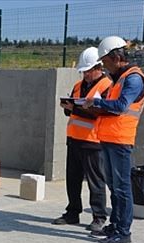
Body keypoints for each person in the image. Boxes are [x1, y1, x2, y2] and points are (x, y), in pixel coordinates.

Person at [82, 36, 144, 243]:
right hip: (109, 137)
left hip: (120, 140)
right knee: (114, 185)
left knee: (122, 188)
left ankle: (123, 232)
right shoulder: (119, 79)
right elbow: (112, 107)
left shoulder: (133, 78)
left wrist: (97, 102)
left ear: (116, 56)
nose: (104, 66)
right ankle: (115, 225)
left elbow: (121, 106)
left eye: (105, 61)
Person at [52, 47, 112, 232]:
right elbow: (73, 109)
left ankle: (99, 216)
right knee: (73, 179)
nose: (85, 74)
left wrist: (75, 109)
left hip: (93, 142)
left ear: (98, 68)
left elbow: (100, 113)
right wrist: (68, 107)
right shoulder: (78, 86)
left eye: (88, 71)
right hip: (75, 139)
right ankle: (72, 213)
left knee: (96, 181)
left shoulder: (106, 86)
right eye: (83, 71)